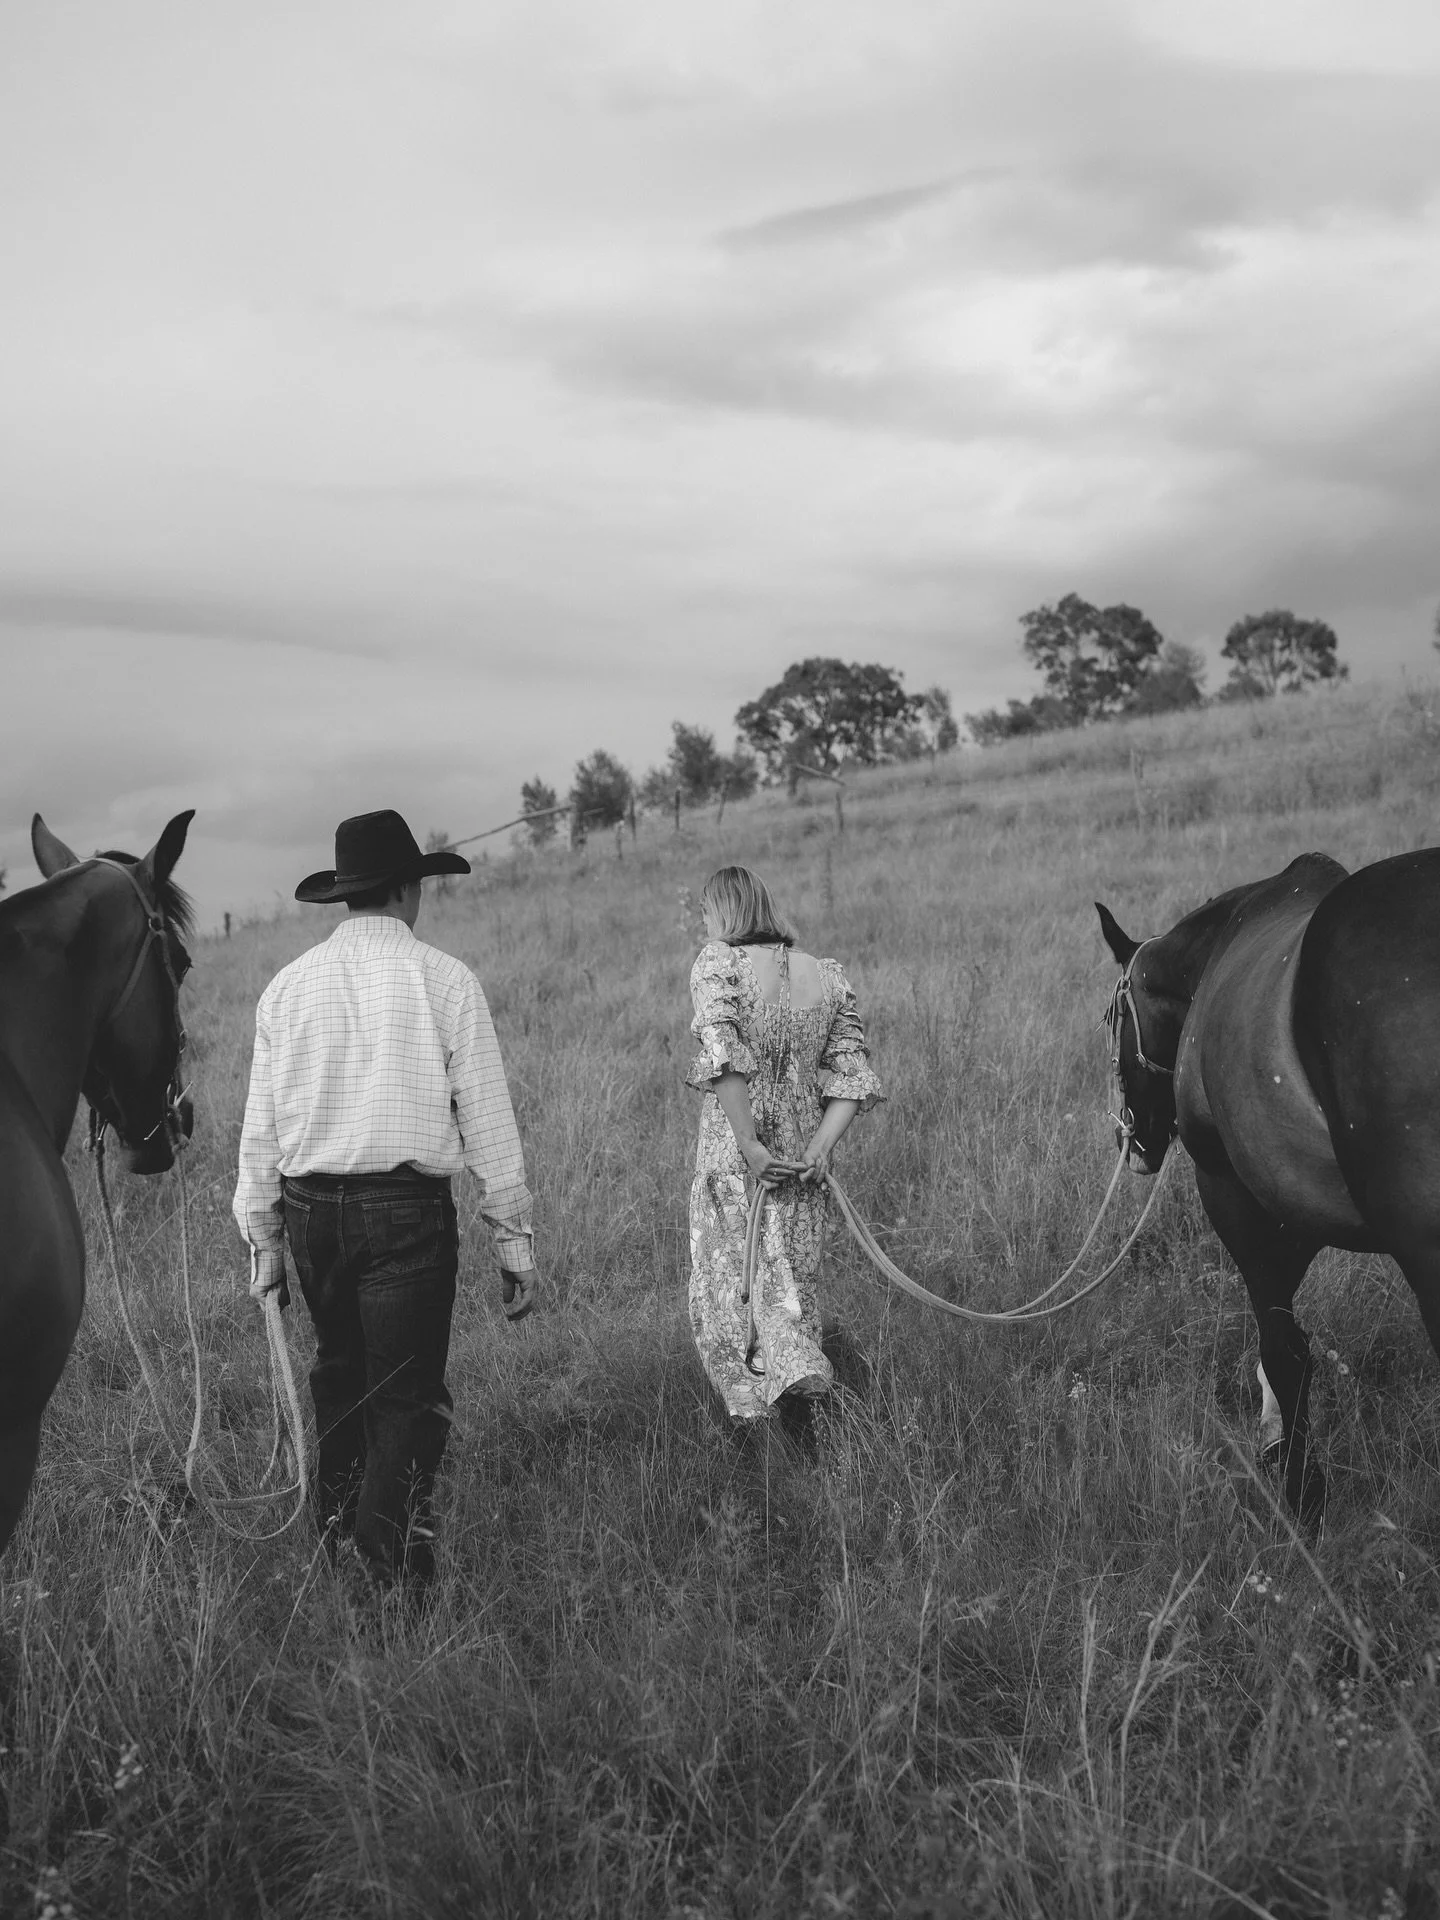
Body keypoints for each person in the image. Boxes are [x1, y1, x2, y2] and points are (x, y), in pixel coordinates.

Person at [233, 809, 539, 1591]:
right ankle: (388, 1574)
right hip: (404, 1211)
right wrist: (513, 1237)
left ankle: (340, 1541)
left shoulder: (286, 988)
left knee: (338, 1371)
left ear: (345, 895)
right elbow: (489, 1118)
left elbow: (260, 1128)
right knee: (404, 1396)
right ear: (407, 889)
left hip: (309, 1211)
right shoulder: (446, 980)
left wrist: (265, 1240)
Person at [685, 865, 884, 1427]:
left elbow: (722, 1054)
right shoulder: (824, 974)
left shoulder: (717, 963)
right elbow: (852, 1075)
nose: (705, 928)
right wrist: (818, 1150)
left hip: (741, 1169)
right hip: (799, 1172)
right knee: (794, 1303)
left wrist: (748, 1144)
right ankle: (807, 1444)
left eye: (705, 915)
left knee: (735, 1308)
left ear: (724, 910)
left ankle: (760, 1453)